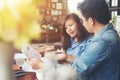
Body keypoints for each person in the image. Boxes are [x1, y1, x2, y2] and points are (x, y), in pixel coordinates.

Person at [71, 0, 120, 80]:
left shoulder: (102, 42)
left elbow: (75, 71)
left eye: (82, 20)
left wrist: (45, 66)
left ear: (91, 21)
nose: (82, 23)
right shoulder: (110, 34)